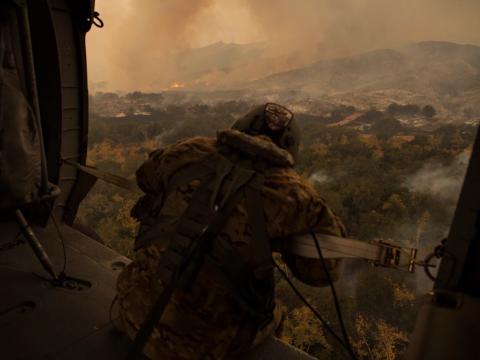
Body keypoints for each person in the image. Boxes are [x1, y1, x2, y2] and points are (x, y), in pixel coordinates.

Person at [116, 103, 346, 359]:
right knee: (274, 315)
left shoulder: (189, 150)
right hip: (206, 349)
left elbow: (145, 177)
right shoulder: (295, 197)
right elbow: (324, 272)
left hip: (135, 316)